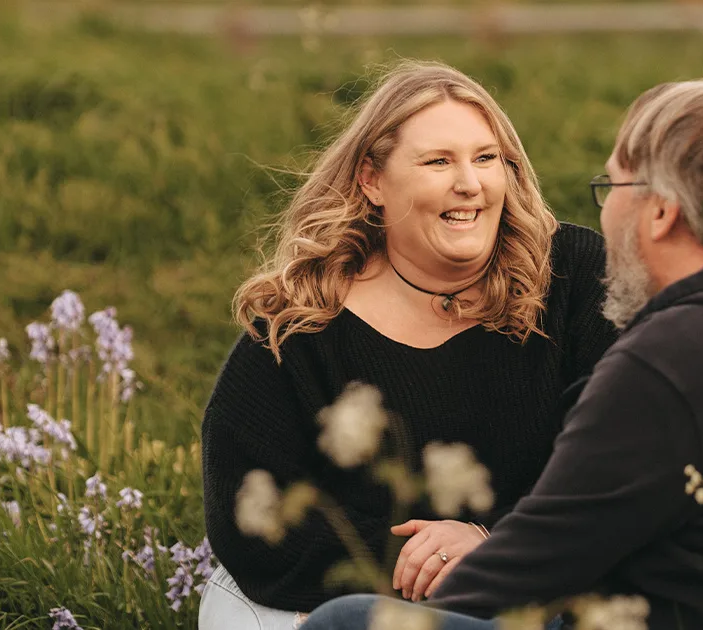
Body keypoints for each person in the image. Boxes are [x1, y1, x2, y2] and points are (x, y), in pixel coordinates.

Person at [300, 79, 703, 630]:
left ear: (660, 212)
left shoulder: (678, 355)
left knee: (346, 624)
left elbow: (523, 571)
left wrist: (428, 593)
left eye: (612, 188)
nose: (604, 219)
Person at [198, 60, 619, 630]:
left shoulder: (571, 273)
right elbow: (246, 515)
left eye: (486, 158)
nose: (469, 183)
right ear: (372, 180)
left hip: (545, 590)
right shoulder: (300, 324)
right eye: (438, 161)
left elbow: (620, 457)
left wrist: (492, 540)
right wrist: (426, 563)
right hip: (356, 600)